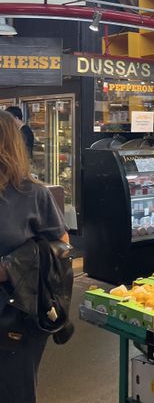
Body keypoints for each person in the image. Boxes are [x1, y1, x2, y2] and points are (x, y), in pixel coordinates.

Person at [0, 111, 69, 403]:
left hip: (17, 315)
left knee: (15, 392)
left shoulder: (33, 195)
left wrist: (10, 267)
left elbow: (62, 246)